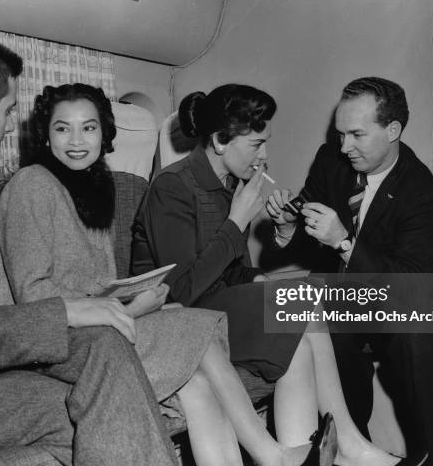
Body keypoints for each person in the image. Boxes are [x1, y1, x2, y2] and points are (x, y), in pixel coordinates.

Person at [0, 82, 323, 466]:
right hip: (40, 337)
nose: (76, 140)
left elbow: (97, 289)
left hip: (91, 324)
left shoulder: (93, 192)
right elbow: (35, 300)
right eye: (62, 128)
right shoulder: (31, 184)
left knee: (195, 381)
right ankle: (273, 456)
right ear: (47, 138)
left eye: (89, 128)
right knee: (195, 331)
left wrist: (138, 303)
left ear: (104, 135)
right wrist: (129, 311)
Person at [0, 33, 179, 466]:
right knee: (101, 405)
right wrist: (68, 310)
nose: (13, 124)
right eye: (8, 110)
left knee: (105, 394)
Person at [132, 83, 399, 466]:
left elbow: (233, 271)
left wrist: (260, 281)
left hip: (216, 308)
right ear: (221, 142)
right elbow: (182, 290)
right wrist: (237, 218)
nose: (265, 154)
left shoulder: (232, 184)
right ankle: (344, 447)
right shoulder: (172, 187)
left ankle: (320, 446)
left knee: (303, 308)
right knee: (298, 306)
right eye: (257, 144)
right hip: (179, 318)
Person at [266, 77, 433, 466]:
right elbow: (312, 219)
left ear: (393, 130)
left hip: (407, 293)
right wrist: (288, 227)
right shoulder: (331, 159)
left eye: (357, 134)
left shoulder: (421, 191)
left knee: (419, 341)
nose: (344, 147)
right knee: (316, 327)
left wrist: (343, 242)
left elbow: (409, 276)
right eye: (341, 134)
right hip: (344, 293)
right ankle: (349, 449)